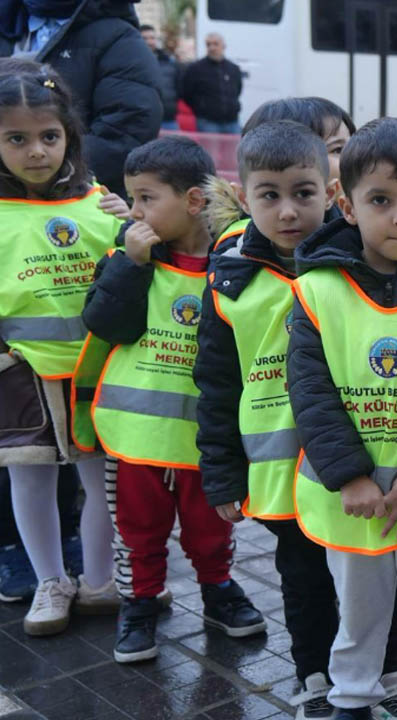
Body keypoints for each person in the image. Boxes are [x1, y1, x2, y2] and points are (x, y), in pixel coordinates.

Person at [197, 119, 397, 720]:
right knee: (304, 580)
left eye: (304, 192)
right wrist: (221, 473)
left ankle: (389, 669)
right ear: (244, 198)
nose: (289, 210)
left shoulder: (365, 265)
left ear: (332, 192)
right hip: (280, 473)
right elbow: (216, 386)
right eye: (270, 195)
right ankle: (314, 676)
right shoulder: (229, 281)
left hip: (361, 466)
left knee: (378, 572)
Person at [288, 117, 397, 720]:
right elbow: (310, 391)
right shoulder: (316, 287)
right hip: (355, 495)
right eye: (381, 200)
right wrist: (351, 476)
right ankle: (353, 700)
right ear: (346, 202)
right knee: (358, 612)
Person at [76, 135, 267, 663]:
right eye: (131, 198)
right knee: (138, 532)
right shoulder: (129, 255)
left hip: (206, 440)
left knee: (212, 528)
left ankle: (218, 590)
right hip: (136, 436)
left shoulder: (235, 260)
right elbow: (106, 323)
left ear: (195, 202)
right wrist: (131, 266)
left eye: (145, 198)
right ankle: (138, 605)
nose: (133, 211)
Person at [0, 59, 119, 637]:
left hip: (98, 370)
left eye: (49, 136)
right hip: (22, 375)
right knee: (31, 478)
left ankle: (99, 580)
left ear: (69, 135)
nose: (37, 151)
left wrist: (133, 220)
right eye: (16, 139)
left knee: (101, 479)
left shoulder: (100, 200)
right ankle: (51, 580)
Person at [0, 0, 162, 196]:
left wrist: (54, 177)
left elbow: (126, 130)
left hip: (73, 200)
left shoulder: (118, 38)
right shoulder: (8, 24)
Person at [204, 96, 356, 250]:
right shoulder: (237, 250)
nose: (355, 160)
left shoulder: (363, 232)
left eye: (352, 148)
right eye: (338, 150)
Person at [182, 33, 242, 134]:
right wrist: (201, 108)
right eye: (208, 44)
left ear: (223, 46)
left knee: (234, 150)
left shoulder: (233, 69)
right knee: (209, 150)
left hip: (232, 123)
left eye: (215, 44)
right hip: (207, 123)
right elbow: (186, 93)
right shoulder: (195, 68)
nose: (211, 47)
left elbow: (238, 90)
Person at [139, 24, 180, 131]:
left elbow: (179, 87)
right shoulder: (131, 62)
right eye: (145, 38)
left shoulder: (169, 62)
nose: (149, 42)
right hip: (143, 119)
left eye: (152, 38)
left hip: (168, 120)